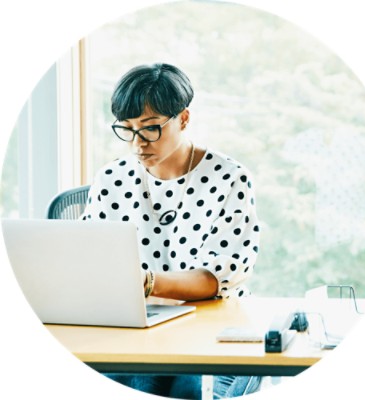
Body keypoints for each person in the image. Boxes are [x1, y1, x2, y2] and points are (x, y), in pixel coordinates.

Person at [80, 63, 261, 399]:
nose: (137, 143)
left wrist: (147, 282)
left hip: (213, 329)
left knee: (191, 391)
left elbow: (218, 276)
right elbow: (89, 257)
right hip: (135, 331)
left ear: (184, 119)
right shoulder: (111, 179)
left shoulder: (230, 177)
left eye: (150, 128)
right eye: (127, 129)